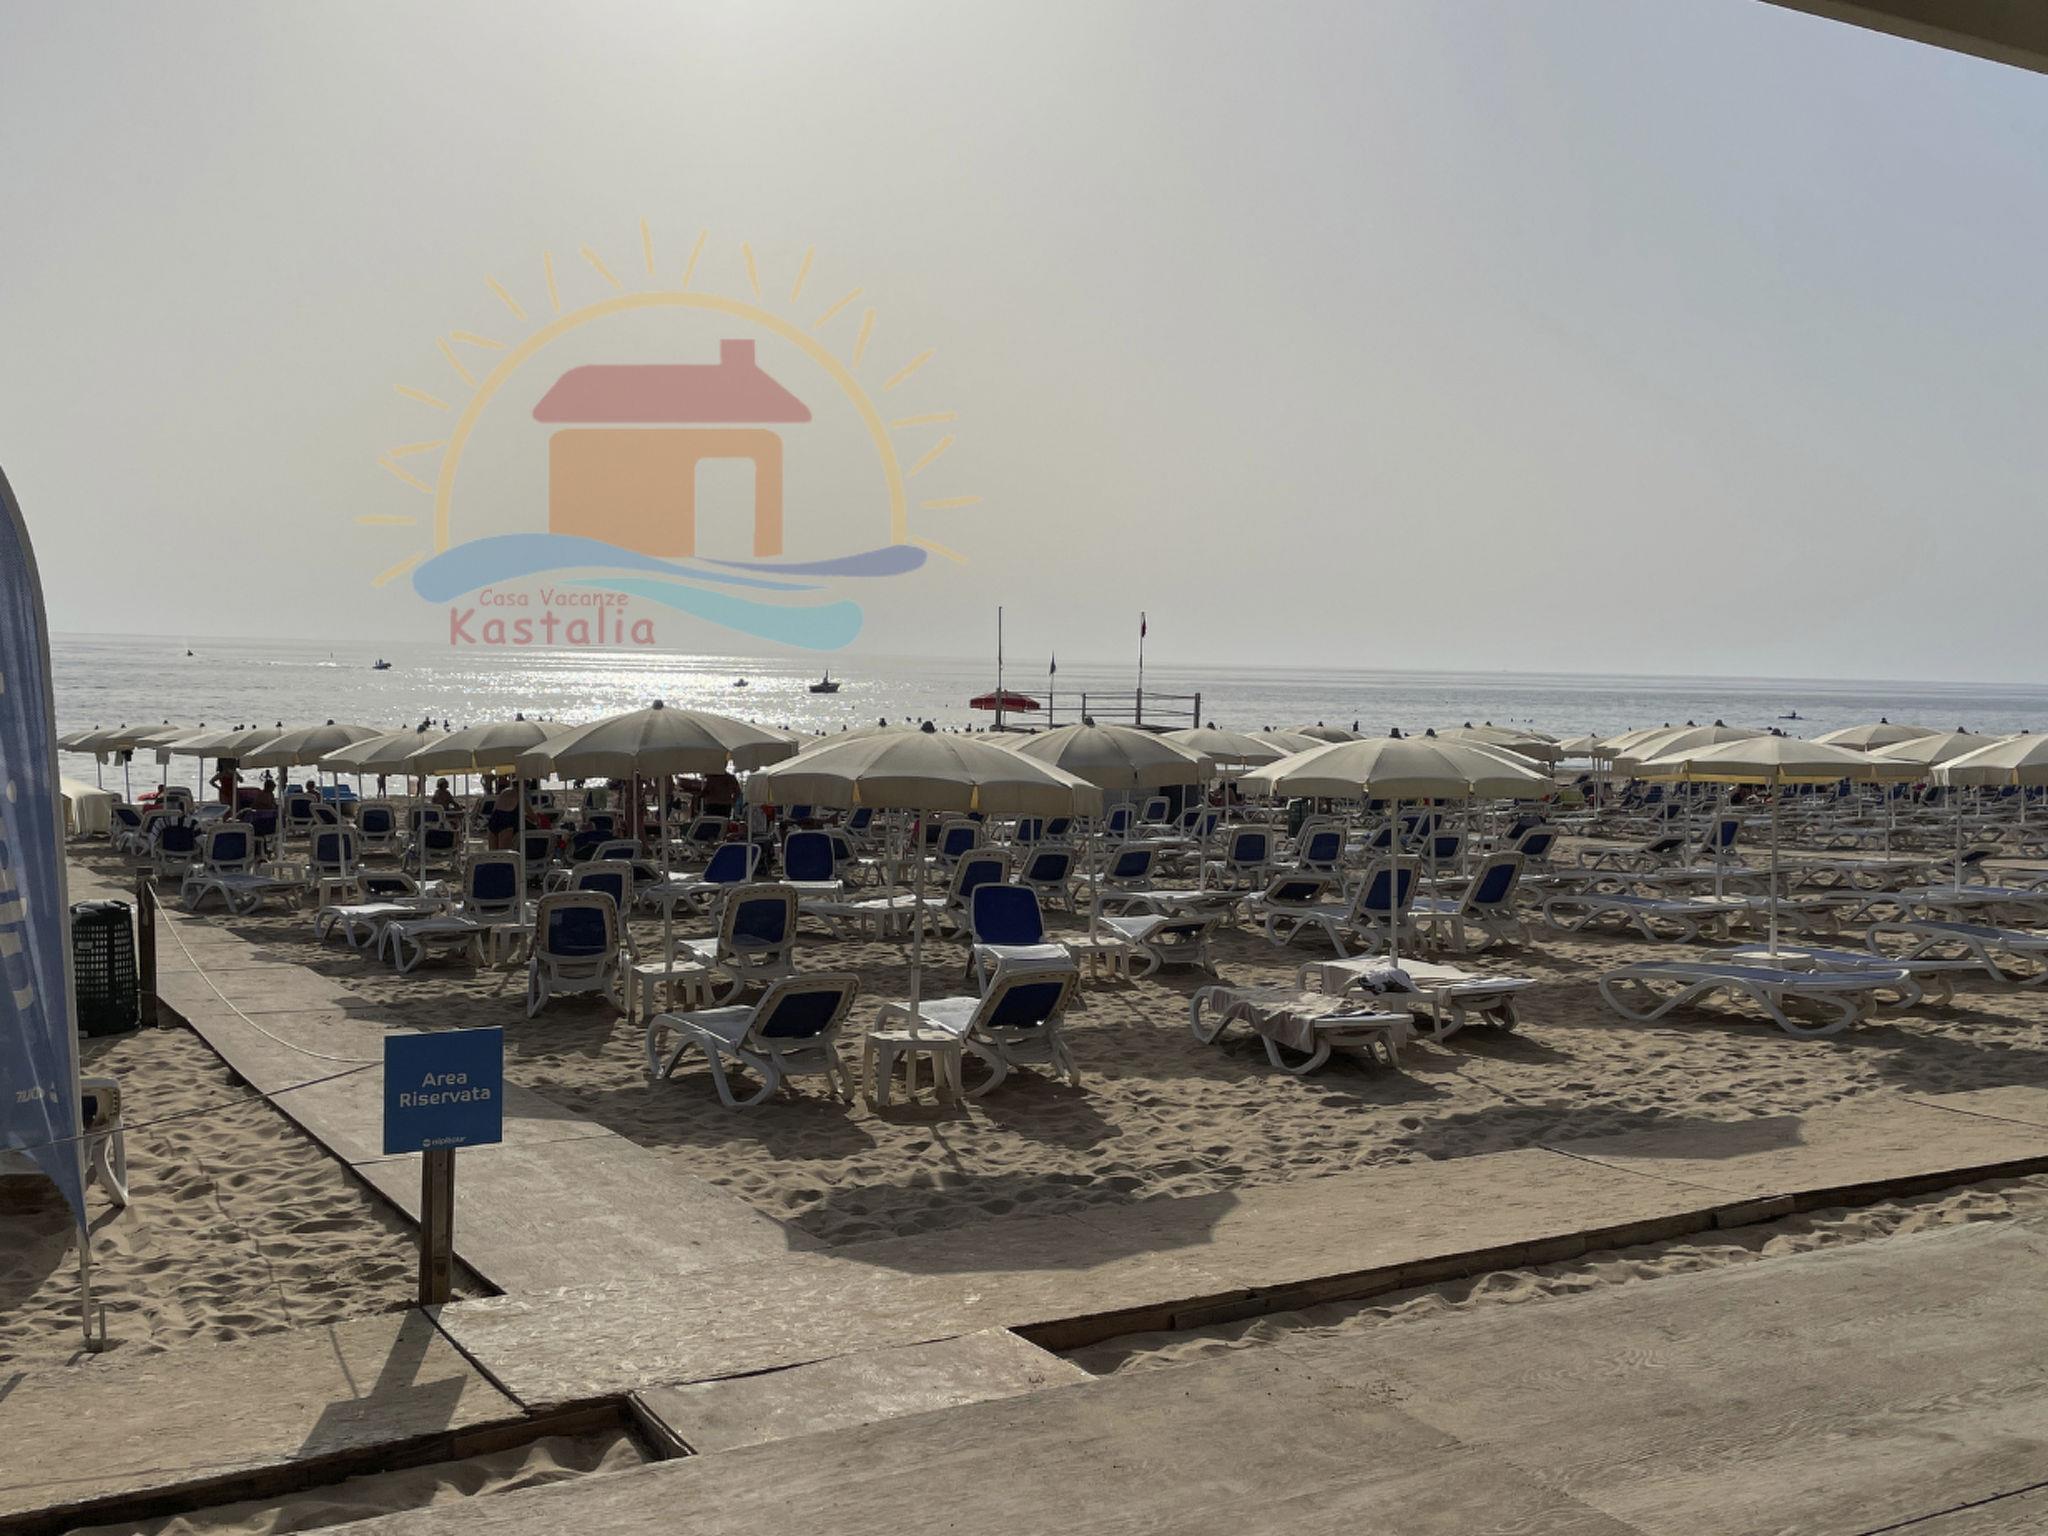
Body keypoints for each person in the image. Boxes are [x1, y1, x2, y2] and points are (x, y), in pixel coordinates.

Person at [489, 776, 519, 850]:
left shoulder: (504, 792)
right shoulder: (520, 795)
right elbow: (532, 816)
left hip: (494, 817)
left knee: (493, 853)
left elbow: (494, 808)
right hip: (506, 819)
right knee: (503, 853)